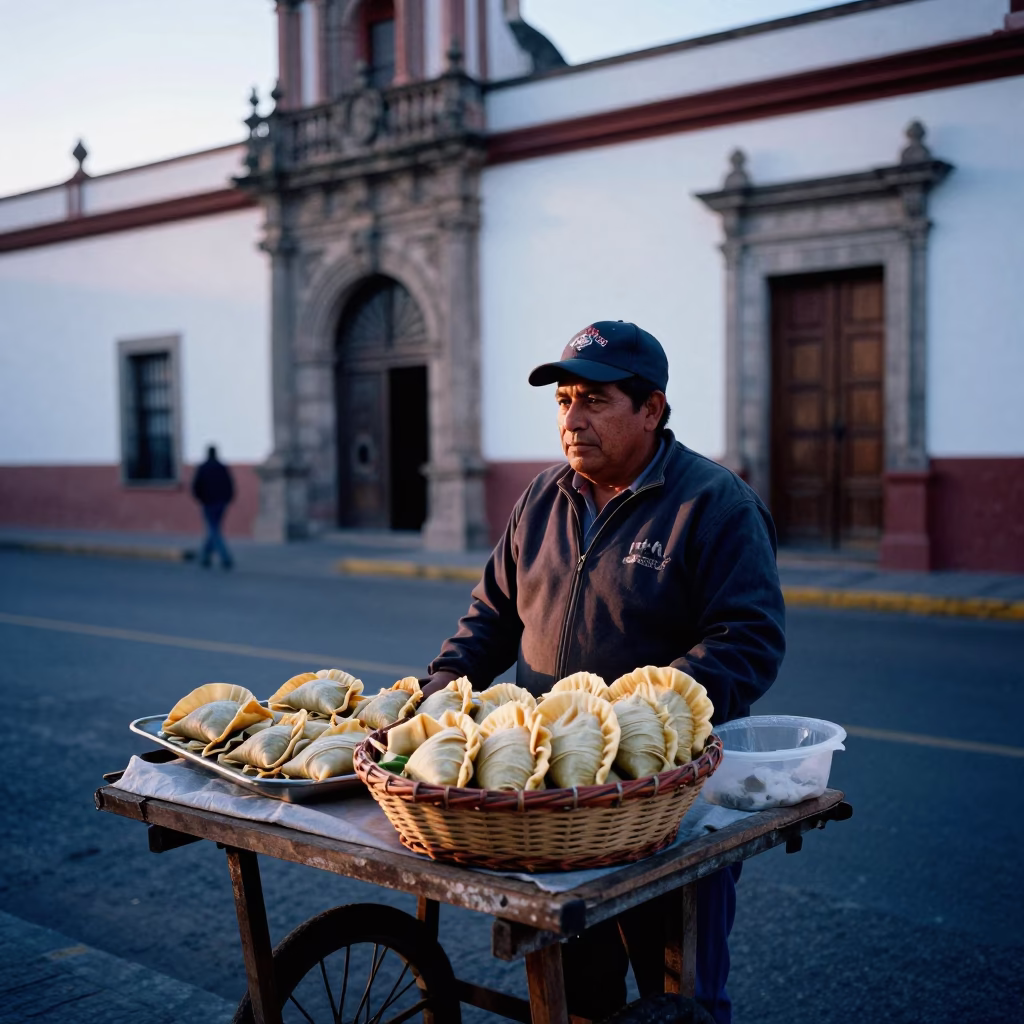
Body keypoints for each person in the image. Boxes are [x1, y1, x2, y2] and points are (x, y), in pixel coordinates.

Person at [422, 321, 786, 1023]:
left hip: (665, 800)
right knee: (574, 994)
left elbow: (748, 640)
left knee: (679, 996)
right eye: (564, 400)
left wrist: (629, 724)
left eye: (594, 400)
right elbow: (492, 613)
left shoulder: (713, 505)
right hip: (554, 802)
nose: (572, 419)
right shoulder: (542, 499)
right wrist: (442, 681)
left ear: (651, 409)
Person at [191, 445, 235, 569]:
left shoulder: (203, 468)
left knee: (213, 530)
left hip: (208, 503)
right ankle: (205, 557)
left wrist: (201, 499)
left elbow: (196, 486)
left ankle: (225, 557)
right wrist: (228, 499)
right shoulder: (222, 467)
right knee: (213, 529)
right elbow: (230, 484)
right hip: (221, 503)